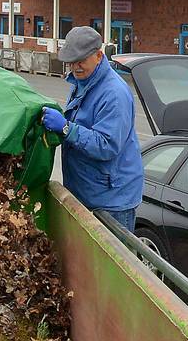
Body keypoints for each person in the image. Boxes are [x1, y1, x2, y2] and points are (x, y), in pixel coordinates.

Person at [41, 26, 143, 232]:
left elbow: (106, 145)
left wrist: (67, 129)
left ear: (98, 56)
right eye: (71, 62)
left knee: (114, 262)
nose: (75, 67)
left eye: (81, 61)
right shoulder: (82, 81)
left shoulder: (114, 94)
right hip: (87, 191)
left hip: (111, 201)